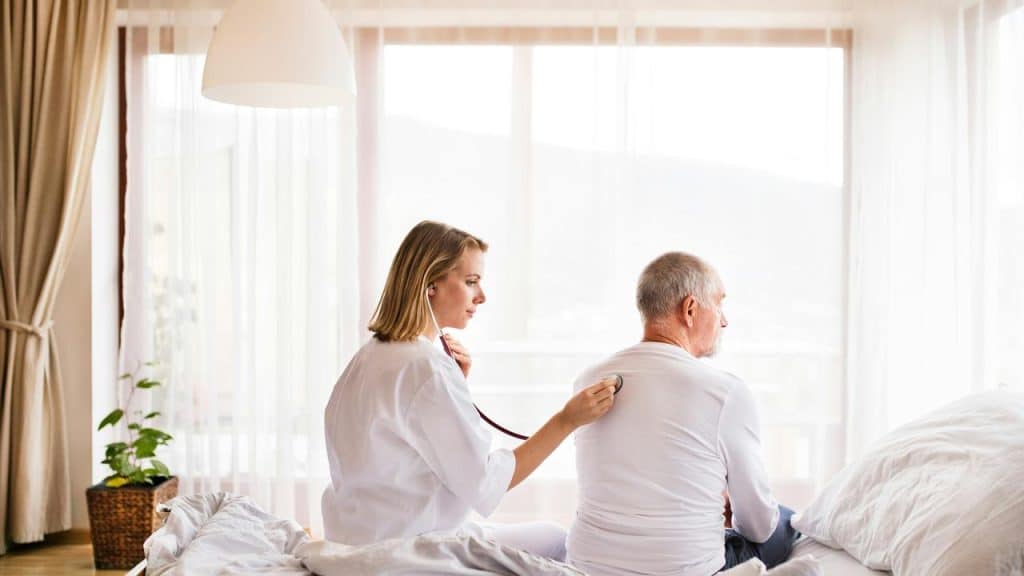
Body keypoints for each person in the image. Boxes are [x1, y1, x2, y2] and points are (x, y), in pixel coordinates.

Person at [322, 220, 618, 561]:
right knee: (555, 543)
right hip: (406, 553)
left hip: (356, 544)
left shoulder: (370, 356)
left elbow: (406, 444)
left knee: (545, 537)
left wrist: (455, 385)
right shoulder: (427, 368)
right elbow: (486, 485)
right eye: (471, 281)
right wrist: (567, 420)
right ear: (430, 283)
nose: (482, 296)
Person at [566, 252, 799, 576]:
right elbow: (758, 527)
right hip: (685, 570)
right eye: (718, 304)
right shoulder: (724, 392)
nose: (724, 321)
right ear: (690, 309)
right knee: (785, 522)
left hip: (587, 566)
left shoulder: (588, 381)